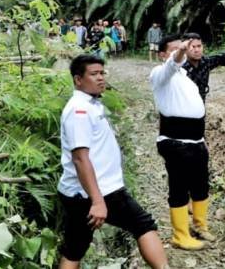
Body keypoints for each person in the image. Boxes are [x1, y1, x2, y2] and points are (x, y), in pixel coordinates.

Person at [58, 55, 168, 269]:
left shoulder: (90, 104)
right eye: (94, 74)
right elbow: (80, 159)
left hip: (88, 191)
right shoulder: (78, 111)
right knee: (142, 224)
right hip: (97, 192)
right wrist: (98, 202)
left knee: (75, 248)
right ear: (78, 80)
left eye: (102, 73)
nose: (100, 78)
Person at [149, 35, 212, 251]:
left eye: (182, 48)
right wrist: (181, 51)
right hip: (176, 142)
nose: (182, 52)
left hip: (196, 140)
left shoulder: (185, 77)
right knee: (179, 188)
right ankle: (180, 235)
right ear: (163, 55)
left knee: (201, 185)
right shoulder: (160, 74)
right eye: (176, 49)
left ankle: (200, 225)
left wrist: (202, 140)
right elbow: (171, 65)